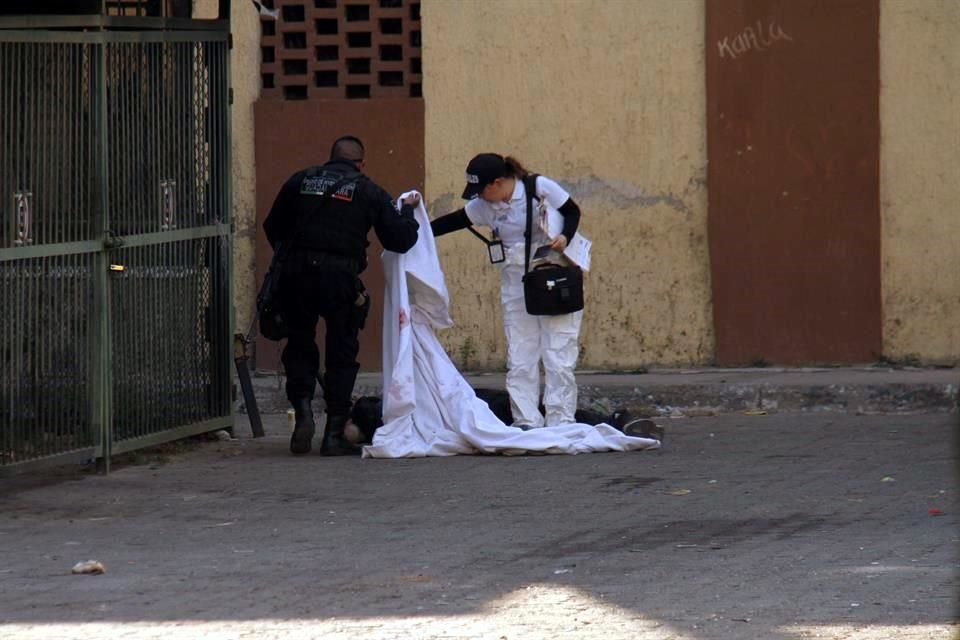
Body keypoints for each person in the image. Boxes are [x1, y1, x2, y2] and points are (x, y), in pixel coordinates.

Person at [263, 135, 420, 456]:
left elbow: (272, 227)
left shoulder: (300, 180)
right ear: (360, 163)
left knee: (300, 342)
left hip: (296, 276)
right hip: (340, 278)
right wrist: (407, 212)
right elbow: (400, 240)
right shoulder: (367, 189)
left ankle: (303, 409)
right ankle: (334, 433)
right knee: (342, 351)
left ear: (329, 158)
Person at [430, 153, 584, 429]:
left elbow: (572, 211)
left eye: (482, 190)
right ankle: (526, 420)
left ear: (498, 183)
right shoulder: (483, 206)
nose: (480, 198)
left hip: (553, 275)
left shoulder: (538, 188)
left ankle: (561, 421)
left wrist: (565, 237)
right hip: (516, 280)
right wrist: (415, 231)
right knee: (520, 352)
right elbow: (453, 221)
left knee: (558, 351)